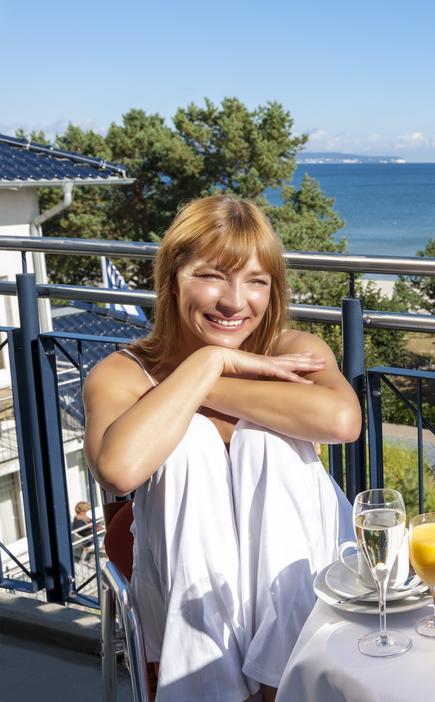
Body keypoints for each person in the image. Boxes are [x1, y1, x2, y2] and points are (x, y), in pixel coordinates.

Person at [84, 195, 362, 702]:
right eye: (213, 275)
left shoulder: (289, 348)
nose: (236, 301)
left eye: (256, 281)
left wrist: (203, 381)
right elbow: (119, 470)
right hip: (182, 591)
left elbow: (344, 422)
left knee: (264, 443)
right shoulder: (122, 374)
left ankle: (280, 680)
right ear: (172, 278)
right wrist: (207, 362)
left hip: (306, 580)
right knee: (188, 441)